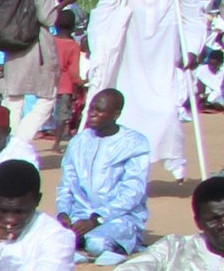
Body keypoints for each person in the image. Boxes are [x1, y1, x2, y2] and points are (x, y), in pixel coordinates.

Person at [86, 0, 202, 179]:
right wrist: (99, 46)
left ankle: (173, 159)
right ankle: (127, 165)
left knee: (167, 111)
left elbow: (193, 18)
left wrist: (192, 50)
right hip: (130, 61)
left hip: (163, 60)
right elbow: (102, 13)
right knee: (128, 113)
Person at [55, 86, 155, 259]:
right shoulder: (78, 142)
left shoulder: (134, 143)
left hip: (118, 217)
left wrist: (96, 219)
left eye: (99, 111)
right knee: (53, 240)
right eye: (91, 109)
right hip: (81, 214)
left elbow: (132, 192)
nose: (92, 114)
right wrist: (63, 213)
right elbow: (67, 184)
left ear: (116, 114)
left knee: (96, 243)